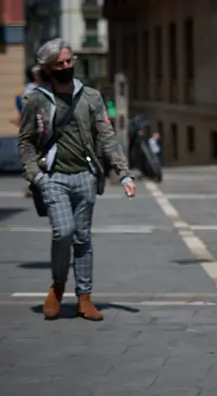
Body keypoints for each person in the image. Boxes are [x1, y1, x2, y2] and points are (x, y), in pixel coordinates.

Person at [18, 38, 135, 321]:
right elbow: (26, 143)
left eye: (69, 62)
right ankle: (57, 287)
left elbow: (107, 137)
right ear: (47, 69)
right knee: (64, 232)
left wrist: (124, 173)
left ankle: (85, 297)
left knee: (83, 238)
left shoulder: (90, 97)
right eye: (60, 64)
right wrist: (36, 176)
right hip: (53, 178)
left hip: (85, 176)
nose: (67, 67)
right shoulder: (36, 100)